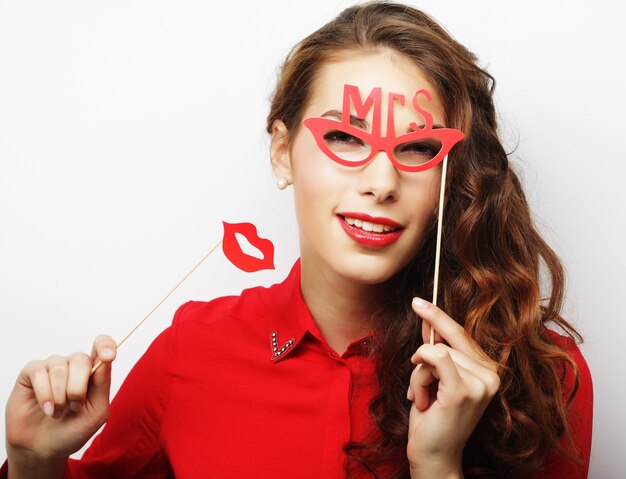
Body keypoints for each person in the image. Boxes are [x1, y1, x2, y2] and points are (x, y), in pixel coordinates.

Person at [2, 2, 592, 478]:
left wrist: (437, 465)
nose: (382, 182)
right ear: (283, 154)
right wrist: (33, 462)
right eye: (345, 138)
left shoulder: (541, 376)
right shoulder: (191, 352)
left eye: (415, 149)